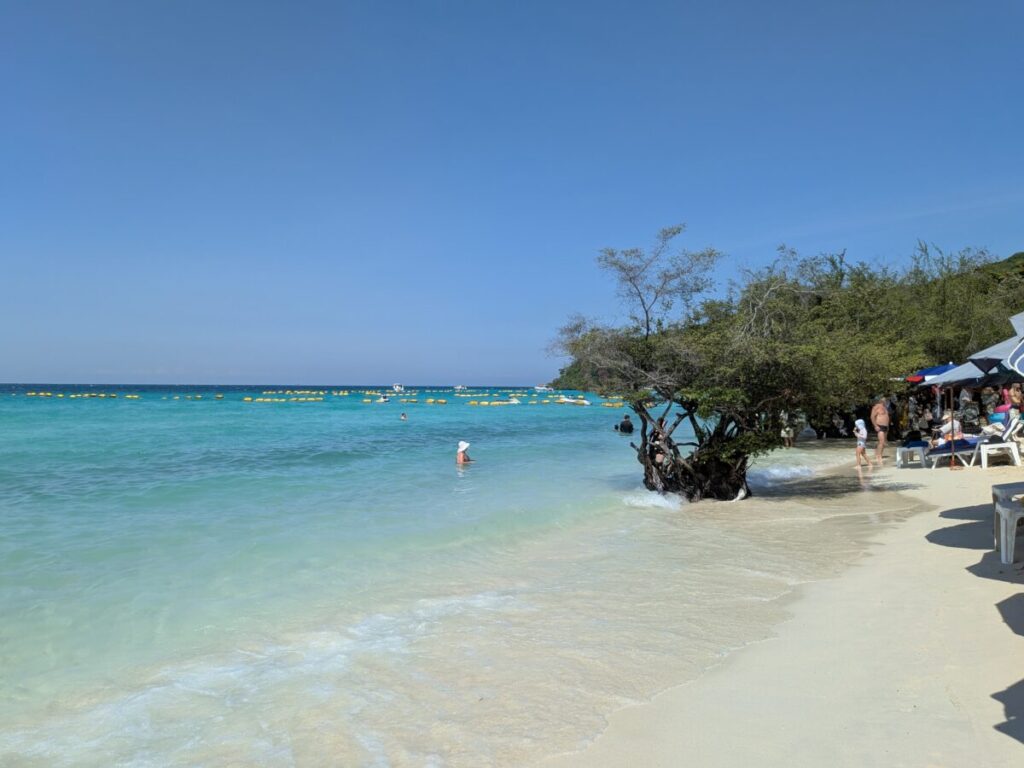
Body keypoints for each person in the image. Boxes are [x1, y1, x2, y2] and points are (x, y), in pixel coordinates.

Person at [870, 396, 890, 465]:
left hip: (885, 427)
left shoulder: (885, 408)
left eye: (886, 400)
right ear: (880, 400)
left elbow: (886, 417)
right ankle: (879, 456)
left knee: (883, 442)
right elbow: (872, 417)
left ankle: (877, 454)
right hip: (879, 426)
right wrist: (875, 425)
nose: (886, 401)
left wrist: (888, 427)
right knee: (881, 441)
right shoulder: (876, 407)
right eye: (884, 400)